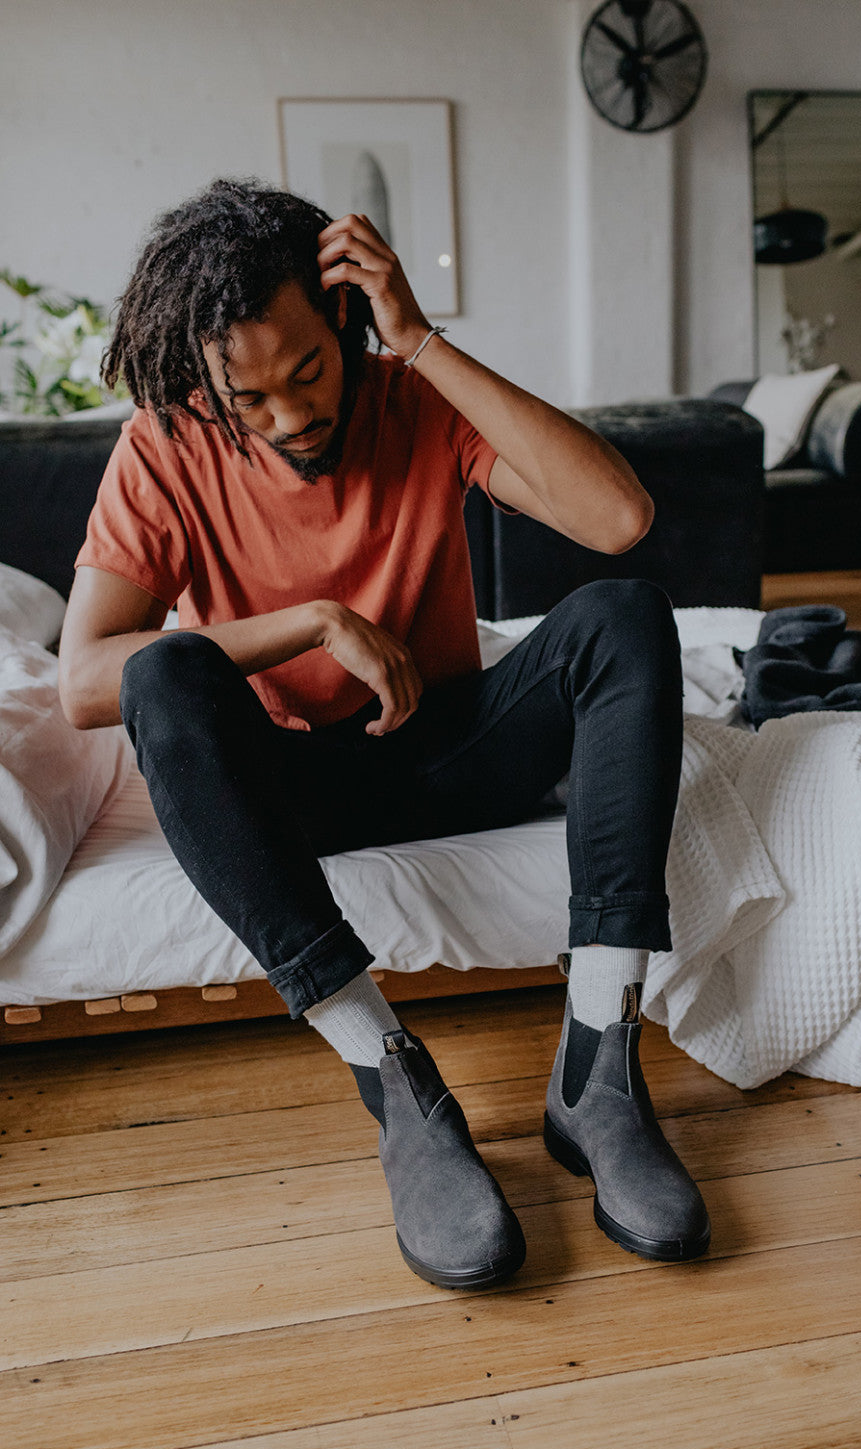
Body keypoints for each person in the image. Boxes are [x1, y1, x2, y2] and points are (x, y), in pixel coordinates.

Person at [59, 178, 710, 1289]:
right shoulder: (165, 446)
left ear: (344, 318)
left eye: (309, 371)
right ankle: (396, 1081)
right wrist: (312, 623)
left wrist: (419, 340)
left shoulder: (411, 392)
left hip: (455, 749)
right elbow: (83, 681)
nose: (290, 417)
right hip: (295, 792)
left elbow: (619, 519)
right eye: (249, 400)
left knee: (624, 615)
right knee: (162, 672)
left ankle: (598, 1069)